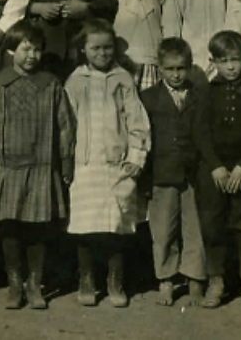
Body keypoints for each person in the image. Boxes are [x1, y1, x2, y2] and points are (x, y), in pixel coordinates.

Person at [0, 21, 76, 311]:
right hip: (7, 169)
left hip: (42, 168)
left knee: (37, 229)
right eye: (25, 49)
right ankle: (14, 284)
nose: (32, 55)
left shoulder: (51, 85)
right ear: (11, 51)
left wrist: (66, 162)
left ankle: (35, 284)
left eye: (37, 49)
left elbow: (65, 126)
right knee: (10, 229)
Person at [64, 20, 150, 309]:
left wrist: (136, 156)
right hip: (85, 164)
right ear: (83, 50)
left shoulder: (123, 78)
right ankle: (87, 280)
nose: (102, 53)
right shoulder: (75, 81)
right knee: (85, 226)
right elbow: (66, 124)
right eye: (95, 48)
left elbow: (136, 121)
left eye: (107, 47)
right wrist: (66, 160)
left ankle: (116, 281)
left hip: (117, 165)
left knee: (116, 226)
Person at [193, 31, 241, 311]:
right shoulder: (205, 92)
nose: (231, 66)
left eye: (236, 59)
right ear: (213, 62)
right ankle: (217, 281)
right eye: (224, 61)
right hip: (214, 172)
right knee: (213, 225)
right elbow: (199, 133)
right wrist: (215, 167)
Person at [140, 38, 206, 307]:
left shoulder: (201, 94)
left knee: (195, 228)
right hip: (161, 173)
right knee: (163, 230)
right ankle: (165, 279)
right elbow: (143, 139)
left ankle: (194, 278)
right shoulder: (148, 98)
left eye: (181, 68)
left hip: (193, 174)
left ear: (189, 68)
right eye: (170, 69)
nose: (176, 75)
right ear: (159, 69)